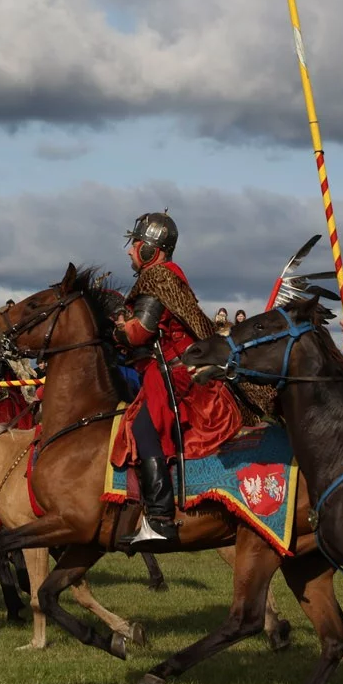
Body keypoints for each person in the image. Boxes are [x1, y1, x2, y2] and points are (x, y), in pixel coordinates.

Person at [114, 211, 237, 544]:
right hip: (170, 365)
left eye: (135, 244)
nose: (129, 251)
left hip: (174, 369)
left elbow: (139, 333)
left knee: (143, 425)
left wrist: (113, 329)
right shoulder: (167, 276)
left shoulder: (158, 278)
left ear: (151, 249)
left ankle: (159, 517)